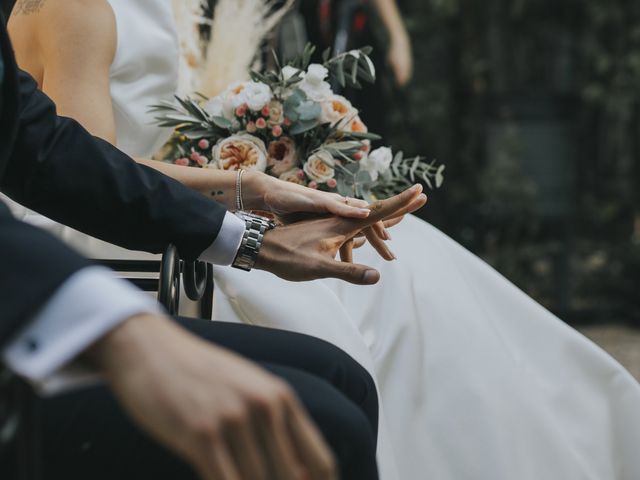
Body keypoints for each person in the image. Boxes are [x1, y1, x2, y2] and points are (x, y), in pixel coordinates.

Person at [9, 1, 640, 479]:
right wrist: (240, 190)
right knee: (369, 296)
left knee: (402, 257)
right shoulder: (76, 9)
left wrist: (260, 185)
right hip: (95, 241)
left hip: (165, 205)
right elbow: (78, 162)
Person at [0, 4, 428, 479]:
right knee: (328, 416)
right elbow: (80, 157)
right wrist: (118, 333)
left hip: (97, 229)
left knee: (344, 376)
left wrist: (254, 208)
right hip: (49, 270)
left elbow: (49, 149)